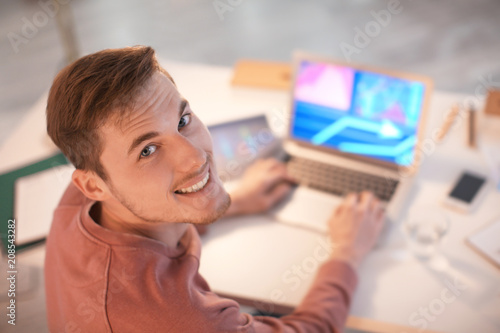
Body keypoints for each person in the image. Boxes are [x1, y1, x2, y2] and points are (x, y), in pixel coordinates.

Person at [44, 46, 385, 332]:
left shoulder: (82, 199)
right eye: (147, 151)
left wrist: (239, 201)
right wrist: (347, 252)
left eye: (182, 121)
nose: (195, 158)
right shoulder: (188, 319)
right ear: (93, 185)